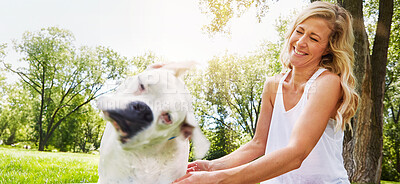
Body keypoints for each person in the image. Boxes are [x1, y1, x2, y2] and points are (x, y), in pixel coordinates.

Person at [173, 1, 359, 184]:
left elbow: (297, 154)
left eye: (314, 38)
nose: (301, 42)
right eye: (299, 31)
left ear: (328, 48)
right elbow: (258, 144)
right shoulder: (273, 85)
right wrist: (211, 167)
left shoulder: (327, 83)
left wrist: (216, 179)